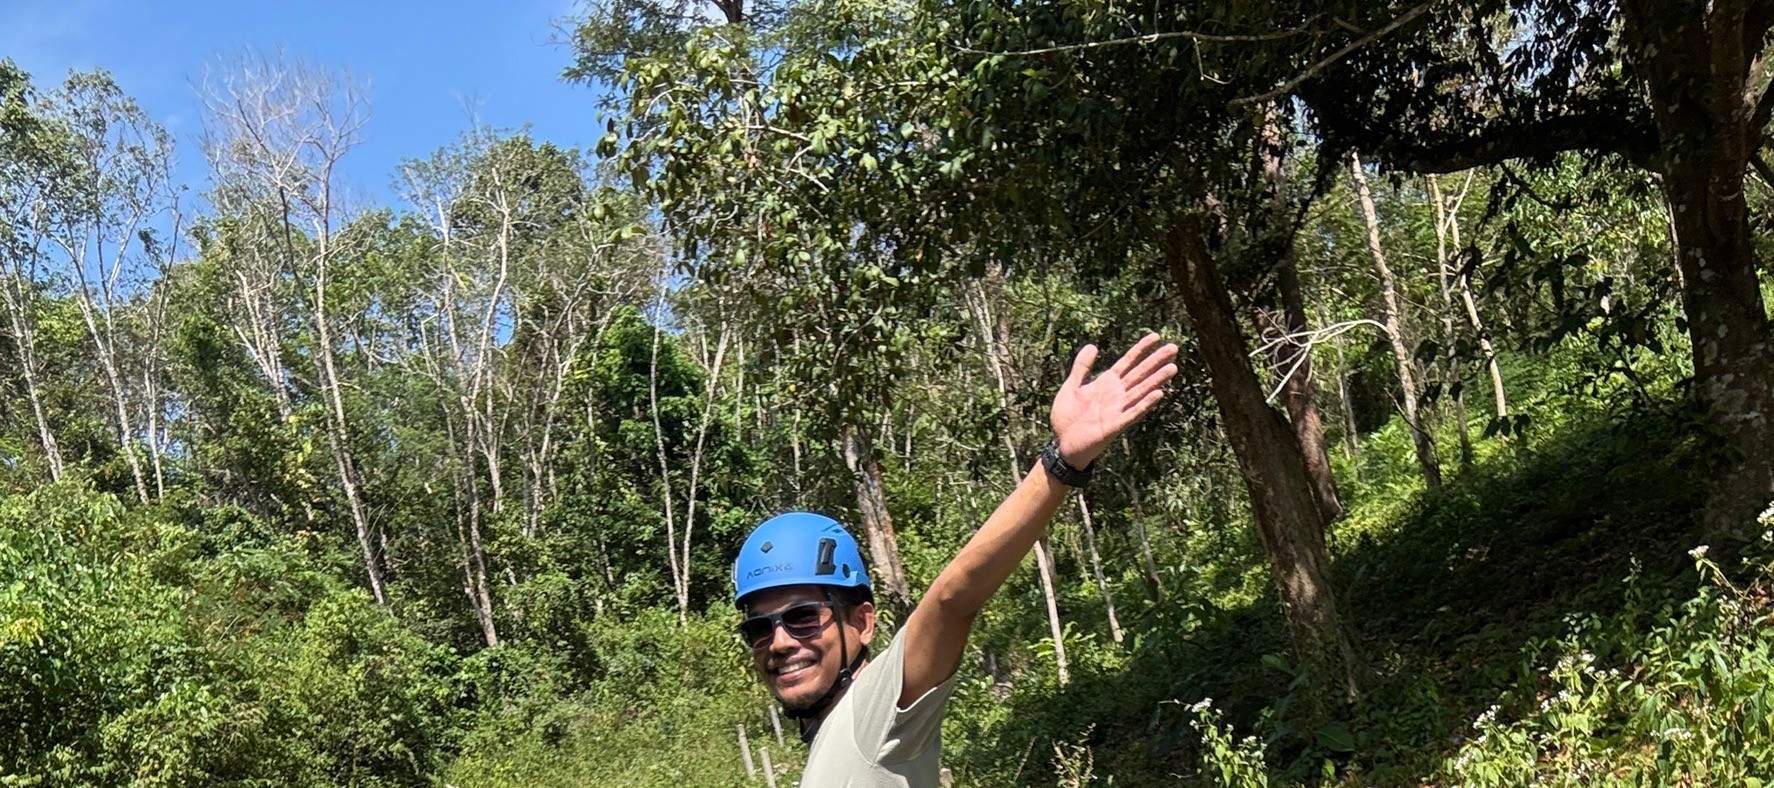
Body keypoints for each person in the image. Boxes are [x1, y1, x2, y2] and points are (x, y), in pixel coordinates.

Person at [730, 333, 1179, 786]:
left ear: (863, 622)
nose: (780, 642)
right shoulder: (832, 742)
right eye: (759, 628)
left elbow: (952, 599)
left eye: (804, 617)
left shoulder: (872, 714)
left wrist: (1060, 465)